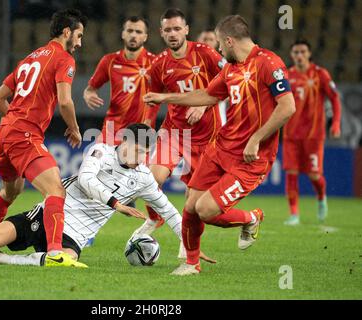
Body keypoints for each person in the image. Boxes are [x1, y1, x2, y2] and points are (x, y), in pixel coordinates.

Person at [144, 15, 296, 275]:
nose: (219, 51)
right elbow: (206, 95)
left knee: (205, 209)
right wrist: (165, 97)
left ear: (229, 40)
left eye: (220, 44)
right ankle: (192, 264)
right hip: (220, 148)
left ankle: (251, 218)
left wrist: (256, 139)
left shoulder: (269, 63)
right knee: (190, 206)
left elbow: (288, 107)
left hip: (251, 158)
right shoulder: (231, 69)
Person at [0, 124, 192, 267]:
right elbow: (85, 179)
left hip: (76, 235)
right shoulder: (101, 151)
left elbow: (169, 211)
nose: (141, 159)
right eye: (137, 150)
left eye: (145, 154)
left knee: (66, 260)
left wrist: (191, 245)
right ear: (123, 142)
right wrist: (116, 204)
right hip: (51, 214)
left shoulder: (144, 177)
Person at [0, 9, 87, 266]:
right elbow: (65, 101)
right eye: (79, 35)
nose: (80, 43)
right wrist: (74, 128)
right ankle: (54, 253)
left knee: (10, 191)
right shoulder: (63, 58)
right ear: (67, 32)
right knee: (55, 190)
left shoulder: (30, 58)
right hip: (23, 135)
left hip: (5, 132)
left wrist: (15, 120)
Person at [138, 8, 226, 238]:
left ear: (186, 30)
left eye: (177, 28)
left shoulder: (206, 54)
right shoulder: (159, 64)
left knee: (193, 201)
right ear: (161, 33)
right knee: (150, 179)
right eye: (168, 30)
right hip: (174, 132)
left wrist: (203, 104)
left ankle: (187, 249)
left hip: (206, 136)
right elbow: (153, 99)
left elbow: (229, 81)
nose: (173, 34)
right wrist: (147, 124)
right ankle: (155, 218)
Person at [283, 39, 341, 225]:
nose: (299, 55)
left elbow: (335, 98)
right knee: (291, 173)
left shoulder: (320, 74)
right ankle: (294, 214)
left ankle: (321, 197)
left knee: (314, 175)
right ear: (292, 55)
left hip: (314, 135)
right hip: (291, 135)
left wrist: (336, 124)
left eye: (302, 52)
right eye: (296, 52)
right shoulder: (286, 76)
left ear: (309, 54)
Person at [83, 16, 157, 145]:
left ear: (145, 37)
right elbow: (90, 90)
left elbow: (172, 91)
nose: (133, 35)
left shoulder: (155, 64)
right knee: (94, 164)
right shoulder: (109, 61)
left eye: (138, 32)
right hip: (111, 133)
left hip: (140, 135)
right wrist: (89, 95)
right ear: (123, 34)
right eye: (129, 31)